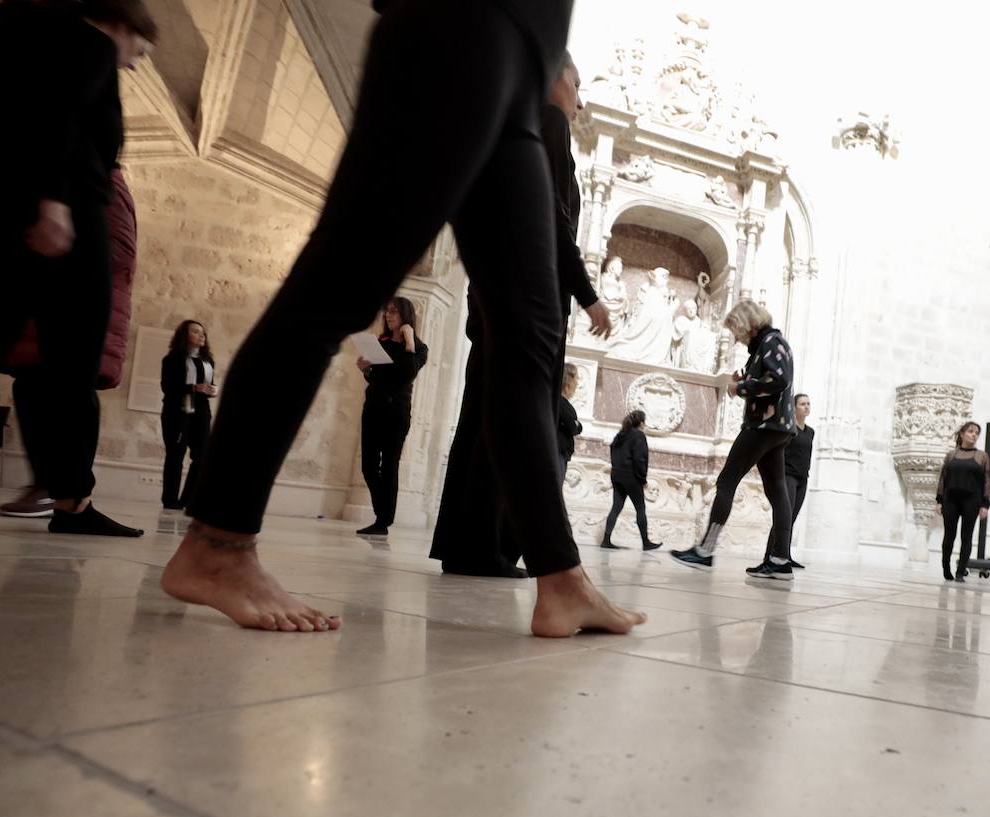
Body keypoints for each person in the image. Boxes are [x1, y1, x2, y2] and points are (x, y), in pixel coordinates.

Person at [161, 0, 647, 637]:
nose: (581, 101)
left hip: (520, 85)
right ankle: (217, 544)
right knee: (338, 287)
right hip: (462, 29)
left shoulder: (549, 111)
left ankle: (562, 580)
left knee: (529, 346)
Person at [0, 1, 155, 537]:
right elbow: (60, 120)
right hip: (53, 216)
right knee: (70, 369)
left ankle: (70, 501)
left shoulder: (18, 45)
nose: (134, 64)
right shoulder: (88, 43)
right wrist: (53, 202)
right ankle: (71, 504)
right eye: (138, 50)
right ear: (121, 23)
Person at [428, 49, 611, 578]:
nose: (580, 101)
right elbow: (552, 221)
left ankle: (469, 545)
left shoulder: (519, 124)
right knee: (511, 424)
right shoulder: (547, 121)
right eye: (577, 85)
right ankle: (489, 547)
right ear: (555, 79)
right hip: (528, 302)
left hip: (501, 299)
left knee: (485, 421)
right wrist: (587, 294)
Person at [0, 165, 138, 524]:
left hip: (77, 305)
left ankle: (66, 495)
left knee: (70, 392)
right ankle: (58, 493)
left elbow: (117, 250)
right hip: (49, 304)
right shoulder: (71, 176)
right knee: (33, 388)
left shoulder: (102, 179)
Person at [671, 300, 797, 580]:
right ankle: (779, 560)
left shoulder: (770, 341)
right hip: (778, 428)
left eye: (736, 331)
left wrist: (740, 387)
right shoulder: (769, 344)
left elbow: (778, 380)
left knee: (727, 480)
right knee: (777, 490)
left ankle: (705, 551)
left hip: (763, 426)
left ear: (747, 324)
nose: (737, 338)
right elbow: (771, 375)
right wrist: (747, 376)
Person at [355, 297, 428, 536]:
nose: (388, 316)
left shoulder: (419, 348)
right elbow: (376, 378)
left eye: (394, 312)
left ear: (405, 315)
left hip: (396, 412)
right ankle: (384, 514)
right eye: (387, 312)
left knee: (389, 467)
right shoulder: (380, 342)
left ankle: (382, 521)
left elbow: (407, 374)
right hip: (374, 408)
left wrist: (408, 341)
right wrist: (366, 369)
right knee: (368, 466)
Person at [159, 320, 217, 511]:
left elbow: (209, 384)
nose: (201, 336)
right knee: (176, 454)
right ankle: (170, 500)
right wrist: (193, 387)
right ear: (184, 335)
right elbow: (167, 387)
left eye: (203, 333)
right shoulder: (172, 359)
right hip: (177, 411)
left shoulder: (208, 362)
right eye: (195, 332)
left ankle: (188, 500)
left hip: (201, 411)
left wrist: (212, 390)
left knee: (202, 455)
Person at [934, 422, 990, 582]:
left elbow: (988, 480)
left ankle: (960, 572)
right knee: (949, 536)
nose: (974, 434)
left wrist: (985, 504)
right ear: (962, 434)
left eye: (977, 433)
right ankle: (946, 568)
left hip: (972, 501)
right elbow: (943, 479)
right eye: (971, 431)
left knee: (966, 537)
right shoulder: (951, 455)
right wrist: (939, 501)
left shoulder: (982, 456)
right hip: (950, 499)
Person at [600, 410, 661, 551]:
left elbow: (612, 451)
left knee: (616, 507)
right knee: (640, 508)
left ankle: (606, 539)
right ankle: (646, 542)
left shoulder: (619, 435)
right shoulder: (638, 435)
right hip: (631, 477)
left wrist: (617, 468)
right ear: (641, 423)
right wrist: (642, 478)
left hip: (616, 475)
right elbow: (640, 459)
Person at [782, 393, 814, 570]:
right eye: (802, 404)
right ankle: (772, 556)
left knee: (792, 518)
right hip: (788, 476)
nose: (807, 407)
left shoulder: (810, 432)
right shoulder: (788, 427)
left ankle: (786, 555)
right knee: (783, 518)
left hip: (803, 478)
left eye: (808, 404)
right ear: (794, 408)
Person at [557, 362, 583, 481]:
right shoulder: (560, 402)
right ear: (569, 379)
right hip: (557, 452)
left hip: (561, 453)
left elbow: (576, 426)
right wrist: (575, 424)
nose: (577, 383)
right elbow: (573, 427)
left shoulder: (562, 402)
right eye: (576, 378)